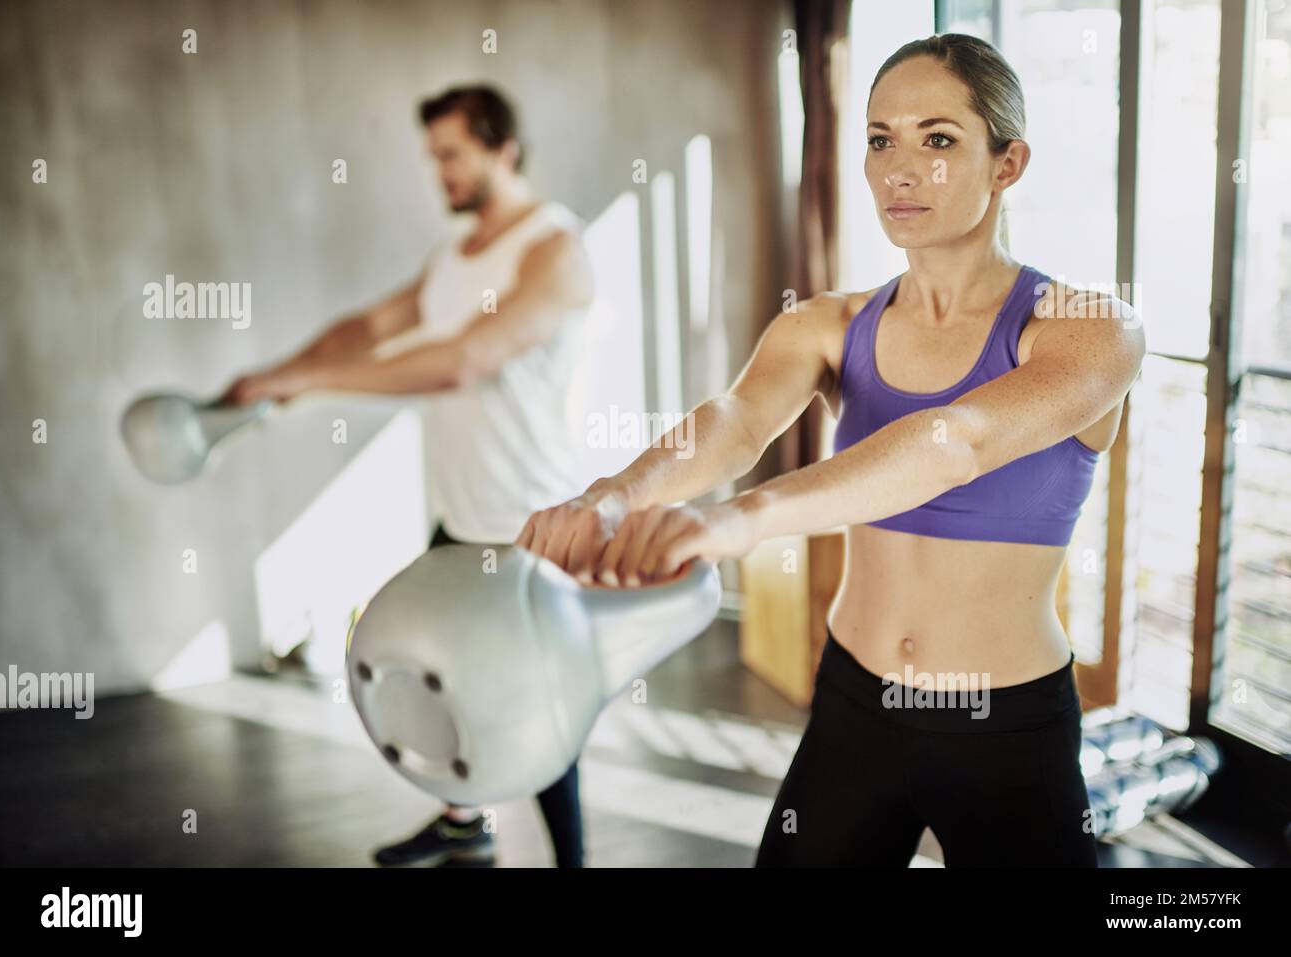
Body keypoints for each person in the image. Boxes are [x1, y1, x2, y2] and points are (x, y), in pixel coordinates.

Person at [516, 34, 1146, 867]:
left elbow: (953, 441)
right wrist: (616, 496)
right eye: (881, 139)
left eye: (939, 139)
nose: (899, 169)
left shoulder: (1088, 328)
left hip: (1008, 727)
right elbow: (735, 420)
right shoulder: (829, 322)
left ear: (1008, 163)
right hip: (859, 701)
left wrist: (743, 522)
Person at [223, 84, 595, 868]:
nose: (440, 173)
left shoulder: (555, 250)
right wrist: (279, 373)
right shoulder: (453, 258)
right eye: (434, 157)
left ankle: (572, 861)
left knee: (544, 704)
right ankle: (464, 822)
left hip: (532, 522)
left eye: (453, 155)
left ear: (505, 149)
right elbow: (371, 326)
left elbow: (464, 360)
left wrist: (318, 384)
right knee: (439, 675)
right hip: (460, 514)